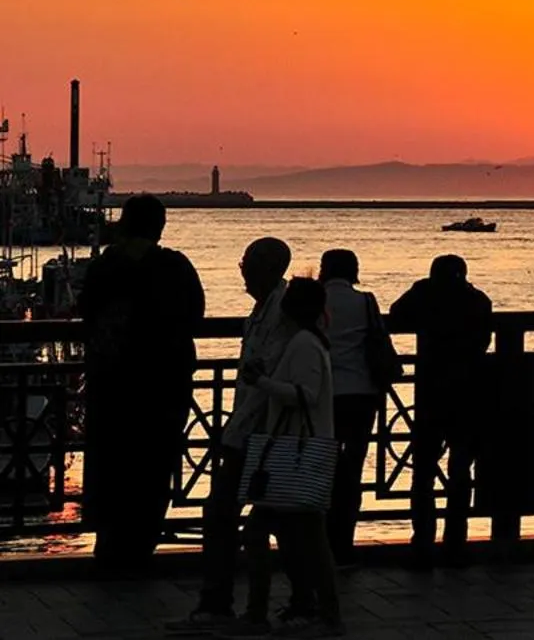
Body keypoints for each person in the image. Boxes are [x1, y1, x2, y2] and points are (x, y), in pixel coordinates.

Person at [168, 237, 289, 633]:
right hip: (250, 431)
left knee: (225, 516)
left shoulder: (280, 315)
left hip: (261, 434)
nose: (242, 271)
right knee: (264, 521)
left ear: (269, 270)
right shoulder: (263, 311)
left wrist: (236, 429)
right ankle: (250, 604)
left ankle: (224, 604)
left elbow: (263, 379)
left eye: (248, 264)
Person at [79, 195, 205, 573]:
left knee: (111, 462)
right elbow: (195, 314)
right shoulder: (175, 267)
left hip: (112, 384)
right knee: (154, 466)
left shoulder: (104, 267)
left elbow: (86, 312)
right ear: (160, 227)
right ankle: (140, 546)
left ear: (123, 224)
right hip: (164, 385)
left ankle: (110, 545)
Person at [235, 277, 343, 638]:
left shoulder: (303, 345)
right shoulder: (311, 342)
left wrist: (262, 383)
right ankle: (307, 609)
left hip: (294, 453)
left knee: (287, 535)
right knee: (305, 537)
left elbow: (306, 395)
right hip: (295, 452)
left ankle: (276, 611)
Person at [390, 254, 494, 567]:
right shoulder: (478, 300)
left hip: (432, 391)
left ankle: (422, 543)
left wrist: (420, 290)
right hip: (468, 391)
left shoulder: (424, 294)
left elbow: (397, 315)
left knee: (423, 470)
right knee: (461, 469)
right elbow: (484, 341)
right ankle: (456, 543)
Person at [319, 249, 387, 567]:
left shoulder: (314, 300)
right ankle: (344, 542)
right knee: (353, 470)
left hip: (322, 395)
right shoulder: (366, 301)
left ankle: (319, 542)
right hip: (361, 393)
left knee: (319, 468)